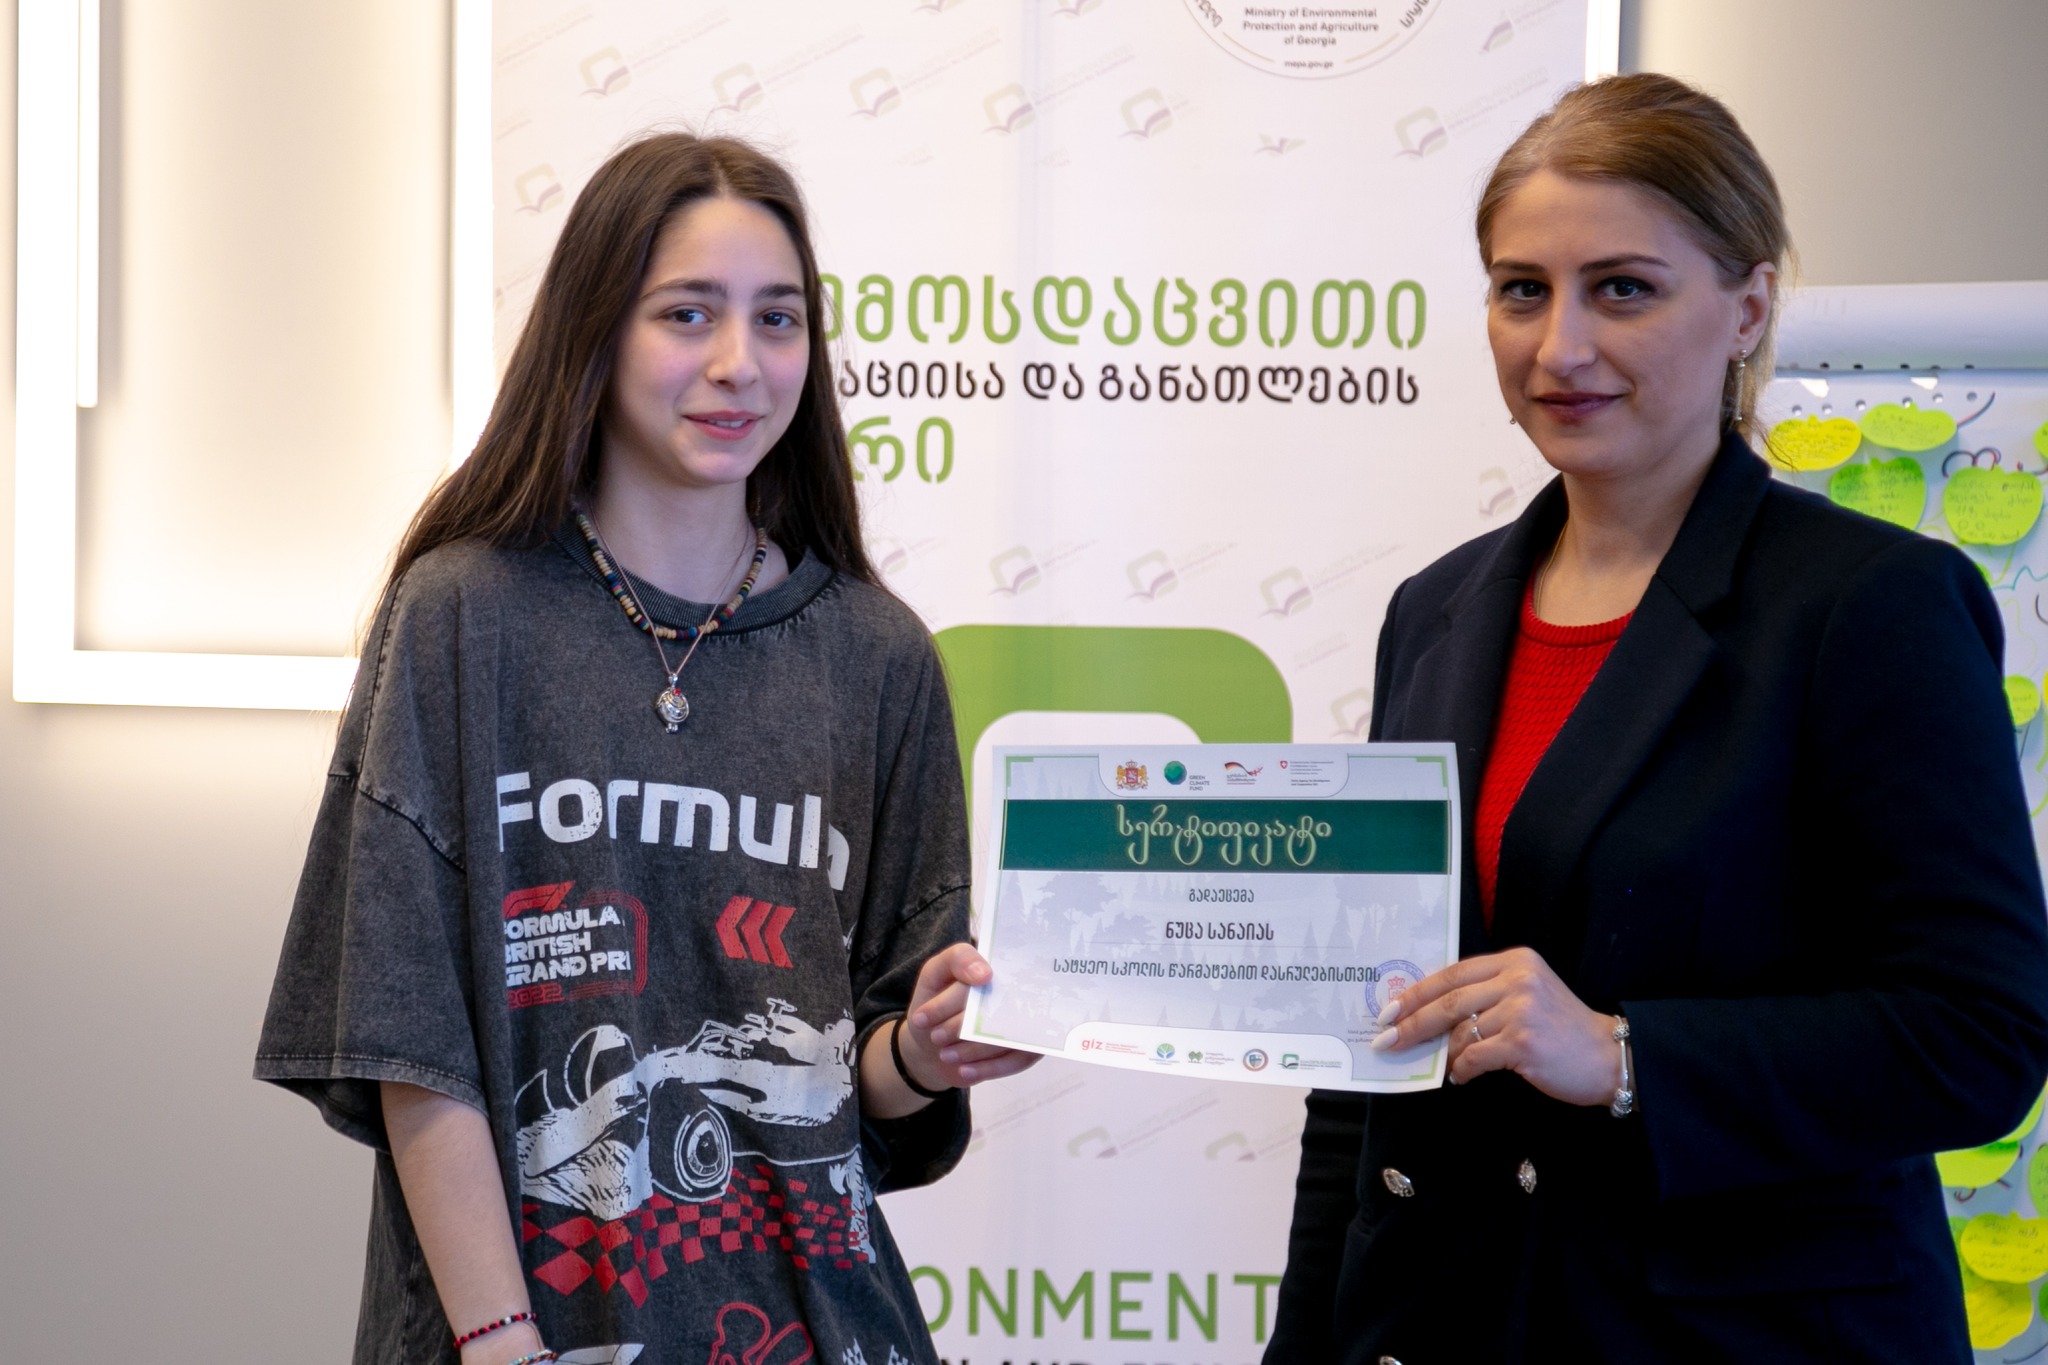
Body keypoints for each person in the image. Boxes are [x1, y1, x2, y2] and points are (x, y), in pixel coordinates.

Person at [1267, 74, 2048, 1363]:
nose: (1558, 348)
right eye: (1521, 290)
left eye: (1621, 288)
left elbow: (1979, 1036)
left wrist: (1627, 1056)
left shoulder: (1872, 606)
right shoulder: (1434, 610)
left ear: (1746, 307)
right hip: (1450, 1322)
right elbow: (1371, 1047)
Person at [256, 132, 1034, 1365]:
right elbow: (413, 1043)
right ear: (596, 330)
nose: (739, 363)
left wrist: (928, 1053)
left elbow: (866, 1081)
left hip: (818, 1322)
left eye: (777, 319)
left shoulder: (879, 659)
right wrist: (501, 1340)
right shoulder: (463, 619)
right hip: (521, 1330)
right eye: (687, 313)